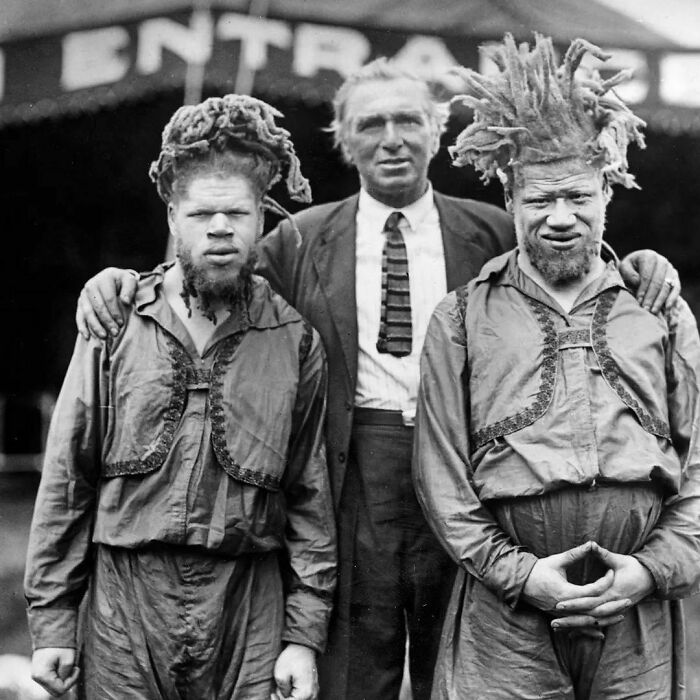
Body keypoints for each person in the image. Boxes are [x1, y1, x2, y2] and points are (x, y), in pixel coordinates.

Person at [74, 59, 680, 700]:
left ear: (437, 128)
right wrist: (123, 282)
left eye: (407, 120)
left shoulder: (490, 227)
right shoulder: (301, 240)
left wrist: (640, 264)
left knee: (463, 657)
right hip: (351, 472)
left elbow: (564, 248)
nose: (391, 137)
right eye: (370, 123)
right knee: (357, 666)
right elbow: (216, 285)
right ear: (342, 137)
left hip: (473, 472)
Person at [414, 34, 700, 699]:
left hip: (639, 618)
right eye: (540, 200)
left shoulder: (659, 309)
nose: (561, 217)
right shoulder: (459, 319)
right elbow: (441, 479)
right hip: (505, 618)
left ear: (607, 189)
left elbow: (698, 464)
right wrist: (520, 575)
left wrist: (653, 570)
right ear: (510, 197)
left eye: (577, 195)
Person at [25, 94, 336, 700]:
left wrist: (302, 636)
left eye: (236, 214)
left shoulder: (295, 340)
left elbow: (310, 498)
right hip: (125, 603)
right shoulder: (115, 324)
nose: (220, 229)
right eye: (201, 215)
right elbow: (68, 477)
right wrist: (55, 624)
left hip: (247, 608)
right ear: (171, 217)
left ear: (262, 219)